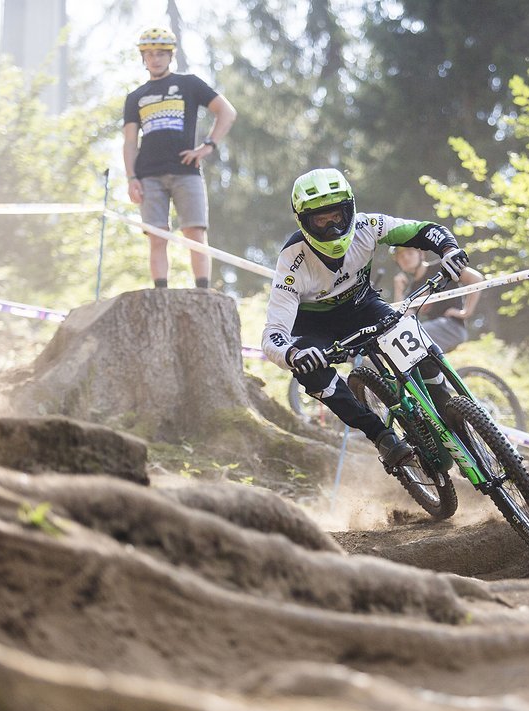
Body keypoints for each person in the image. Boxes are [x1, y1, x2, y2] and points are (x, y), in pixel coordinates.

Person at [261, 168, 471, 470]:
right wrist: (293, 354)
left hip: (364, 306)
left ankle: (447, 407)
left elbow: (423, 230)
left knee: (417, 341)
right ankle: (381, 436)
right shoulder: (291, 261)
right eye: (321, 221)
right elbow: (273, 334)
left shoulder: (368, 225)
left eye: (337, 217)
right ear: (304, 222)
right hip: (317, 329)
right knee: (310, 372)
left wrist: (449, 250)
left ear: (350, 209)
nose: (333, 229)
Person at [122, 27, 237, 290]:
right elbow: (129, 142)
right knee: (157, 236)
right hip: (148, 174)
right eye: (149, 54)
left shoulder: (189, 84)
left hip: (186, 170)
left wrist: (208, 145)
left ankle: (203, 292)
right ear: (143, 58)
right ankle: (161, 292)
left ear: (170, 55)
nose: (156, 59)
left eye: (161, 53)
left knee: (195, 233)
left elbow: (226, 112)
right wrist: (131, 178)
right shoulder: (135, 97)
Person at [392, 246, 484, 353]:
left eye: (410, 253)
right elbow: (402, 316)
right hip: (434, 329)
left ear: (421, 254)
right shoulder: (412, 290)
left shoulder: (441, 268)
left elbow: (476, 278)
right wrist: (398, 291)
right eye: (401, 256)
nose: (406, 258)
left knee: (413, 336)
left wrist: (466, 312)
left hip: (451, 326)